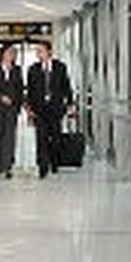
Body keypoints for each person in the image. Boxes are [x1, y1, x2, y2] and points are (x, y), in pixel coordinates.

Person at [25, 40, 76, 179]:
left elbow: (66, 87)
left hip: (56, 109)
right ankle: (42, 166)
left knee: (55, 137)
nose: (38, 54)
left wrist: (71, 104)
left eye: (40, 51)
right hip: (39, 110)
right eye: (37, 51)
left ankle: (54, 162)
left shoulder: (60, 67)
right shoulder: (33, 69)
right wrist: (29, 109)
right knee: (41, 138)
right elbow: (30, 91)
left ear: (49, 52)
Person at [0, 42, 24, 179]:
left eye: (14, 53)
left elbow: (20, 88)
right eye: (10, 52)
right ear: (3, 53)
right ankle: (0, 163)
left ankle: (8, 165)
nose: (12, 55)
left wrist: (20, 105)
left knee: (10, 135)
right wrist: (1, 97)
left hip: (12, 107)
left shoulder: (17, 69)